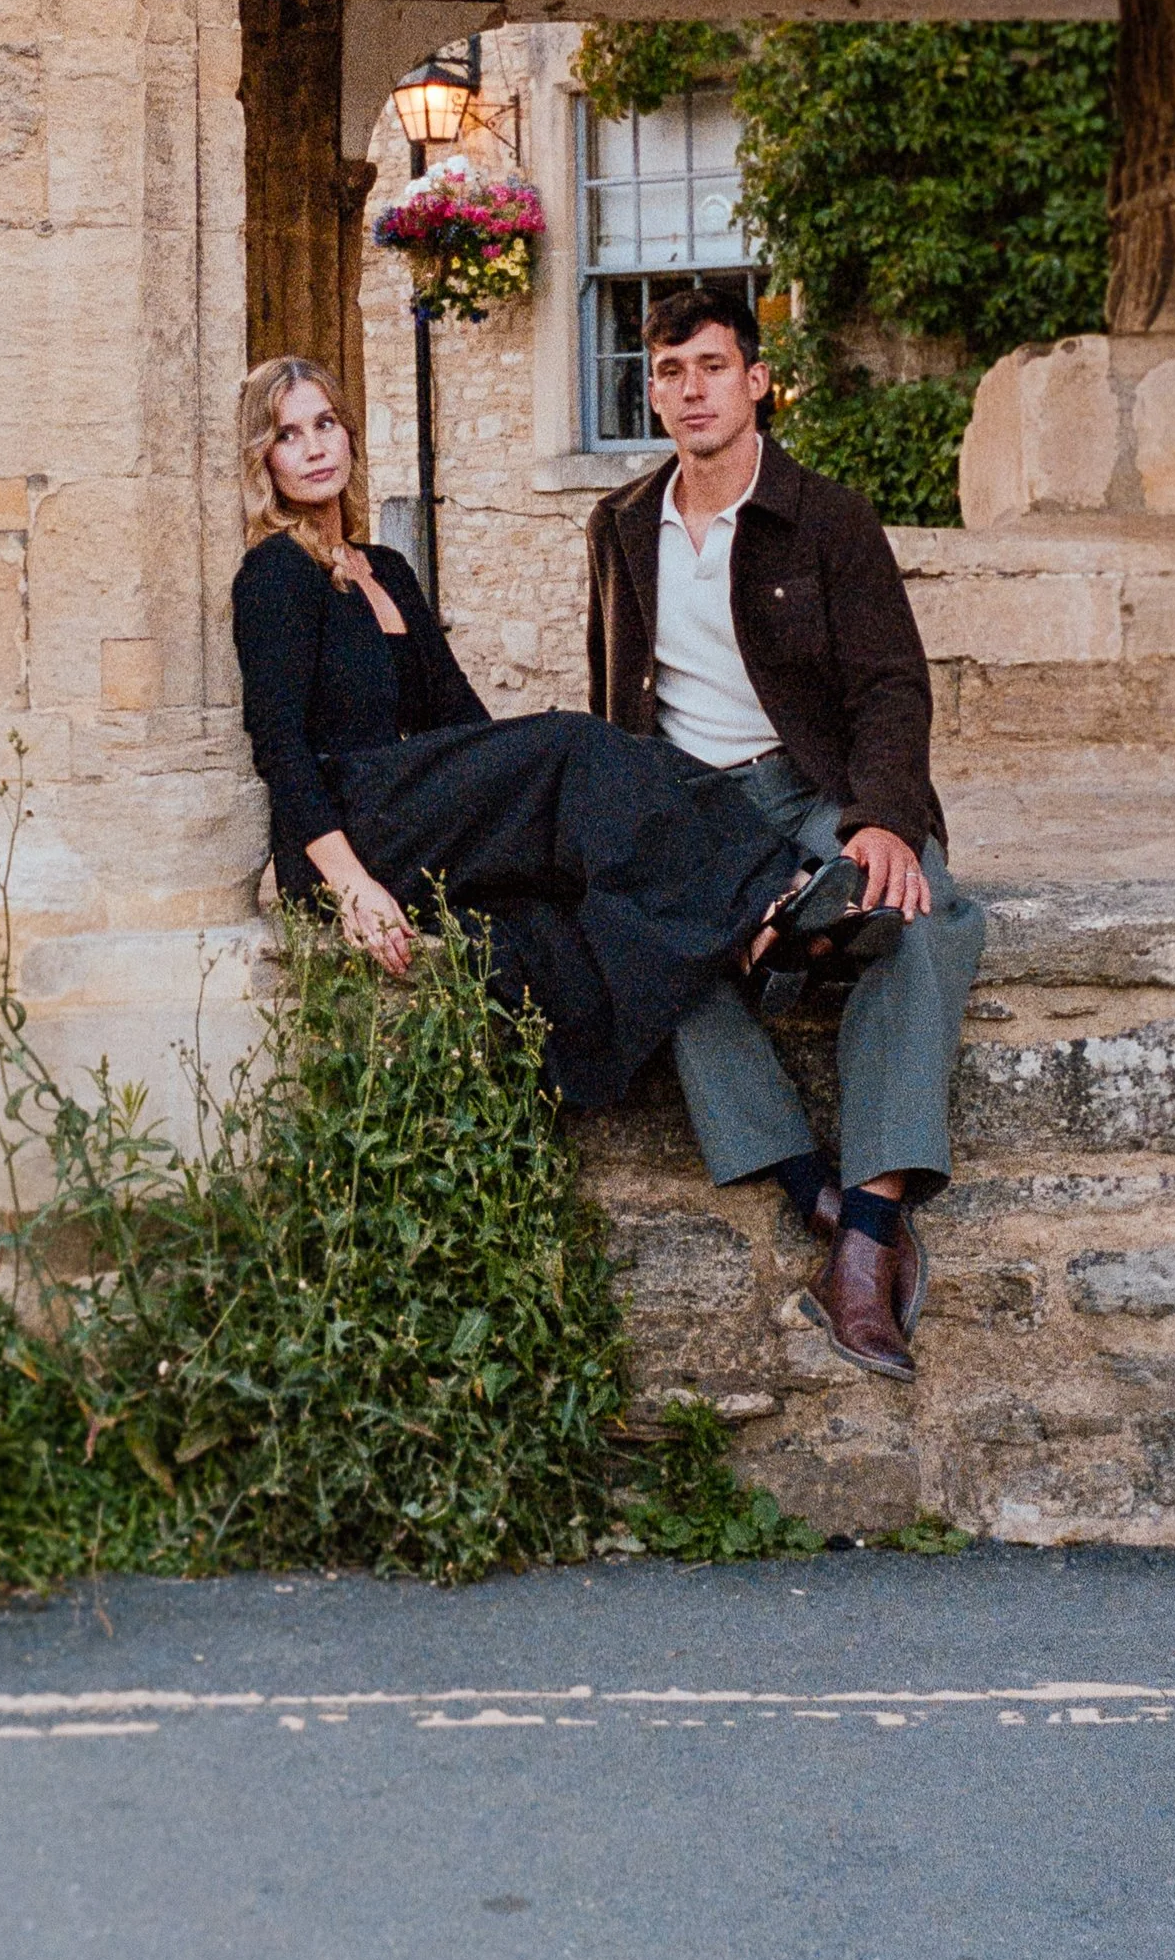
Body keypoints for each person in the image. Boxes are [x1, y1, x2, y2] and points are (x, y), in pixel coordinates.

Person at [229, 356, 833, 1114]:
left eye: (325, 424)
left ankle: (802, 1174)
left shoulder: (384, 566)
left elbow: (460, 719)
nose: (315, 447)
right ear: (265, 457)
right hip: (352, 830)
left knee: (615, 788)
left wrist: (518, 800)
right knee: (574, 744)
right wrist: (352, 886)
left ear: (349, 435)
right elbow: (279, 746)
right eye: (289, 434)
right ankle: (772, 894)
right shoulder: (276, 573)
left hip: (412, 806)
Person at [585, 287, 986, 1382]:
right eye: (669, 372)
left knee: (928, 915)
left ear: (756, 381)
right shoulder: (619, 524)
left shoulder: (828, 516)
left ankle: (864, 1233)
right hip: (695, 808)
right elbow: (616, 695)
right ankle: (817, 1191)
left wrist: (885, 821)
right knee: (647, 942)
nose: (690, 389)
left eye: (712, 366)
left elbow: (892, 688)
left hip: (811, 786)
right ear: (652, 389)